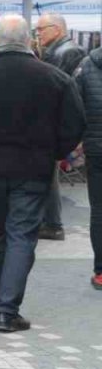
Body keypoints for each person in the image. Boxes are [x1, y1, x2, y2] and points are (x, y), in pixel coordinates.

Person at [0, 15, 85, 333]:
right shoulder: (54, 78)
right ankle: (7, 309)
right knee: (22, 235)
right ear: (29, 40)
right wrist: (53, 152)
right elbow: (74, 124)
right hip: (34, 169)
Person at [36, 13, 86, 241]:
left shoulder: (66, 51)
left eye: (41, 29)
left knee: (48, 173)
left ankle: (52, 223)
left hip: (55, 122)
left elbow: (53, 88)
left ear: (56, 29)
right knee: (48, 173)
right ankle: (50, 221)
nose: (38, 34)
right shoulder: (59, 50)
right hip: (56, 121)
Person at [76, 45, 102, 290]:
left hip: (97, 149)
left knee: (100, 210)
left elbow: (75, 107)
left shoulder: (86, 65)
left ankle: (101, 272)